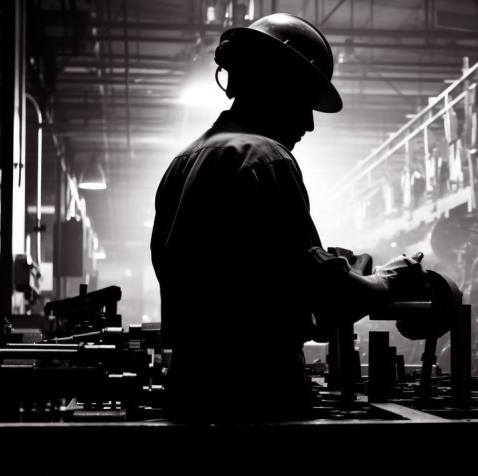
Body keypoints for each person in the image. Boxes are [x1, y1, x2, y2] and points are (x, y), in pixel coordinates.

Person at [150, 13, 427, 424]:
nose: (310, 124)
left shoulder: (184, 162)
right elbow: (331, 299)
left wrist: (333, 270)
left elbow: (245, 272)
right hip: (259, 397)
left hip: (189, 391)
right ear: (276, 86)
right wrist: (389, 279)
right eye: (305, 102)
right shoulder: (267, 158)